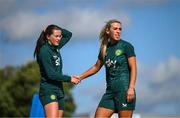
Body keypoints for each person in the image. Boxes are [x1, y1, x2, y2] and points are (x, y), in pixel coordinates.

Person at [77, 19, 137, 118]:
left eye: (120, 29)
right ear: (108, 31)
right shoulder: (104, 49)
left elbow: (133, 68)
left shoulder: (126, 46)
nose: (118, 31)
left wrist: (131, 88)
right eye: (115, 29)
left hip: (124, 91)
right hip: (109, 93)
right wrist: (80, 77)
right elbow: (96, 67)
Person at [34, 24, 80, 117]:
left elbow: (69, 34)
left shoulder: (56, 47)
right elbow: (51, 75)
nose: (59, 38)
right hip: (48, 90)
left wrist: (56, 29)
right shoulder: (44, 51)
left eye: (60, 36)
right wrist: (69, 79)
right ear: (48, 36)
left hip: (60, 91)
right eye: (56, 36)